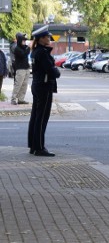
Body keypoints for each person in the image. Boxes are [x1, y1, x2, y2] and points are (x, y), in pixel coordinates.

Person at [28, 25, 60, 156]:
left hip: (37, 85)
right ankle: (39, 148)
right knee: (41, 118)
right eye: (47, 37)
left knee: (35, 116)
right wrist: (57, 71)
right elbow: (51, 71)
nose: (49, 38)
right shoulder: (42, 52)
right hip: (44, 86)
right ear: (41, 39)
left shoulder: (35, 51)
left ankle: (33, 146)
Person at [11, 31, 30, 105]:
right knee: (18, 84)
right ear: (20, 41)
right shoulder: (17, 49)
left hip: (26, 68)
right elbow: (23, 54)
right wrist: (28, 48)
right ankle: (13, 99)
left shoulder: (24, 47)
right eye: (23, 40)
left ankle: (21, 99)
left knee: (24, 85)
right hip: (20, 69)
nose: (25, 42)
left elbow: (27, 51)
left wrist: (28, 47)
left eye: (25, 41)